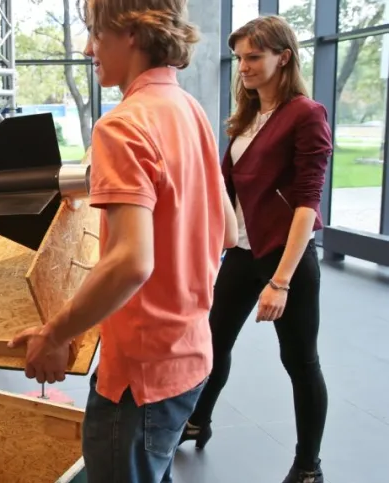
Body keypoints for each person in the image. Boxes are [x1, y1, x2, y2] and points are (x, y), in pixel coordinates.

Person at [8, 0, 237, 481]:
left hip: (139, 379)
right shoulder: (190, 109)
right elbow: (229, 230)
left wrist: (55, 334)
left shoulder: (121, 126)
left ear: (132, 31)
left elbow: (132, 262)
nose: (90, 48)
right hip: (190, 357)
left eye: (95, 32)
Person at [179, 15, 332, 483]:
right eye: (240, 57)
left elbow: (307, 203)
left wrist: (280, 281)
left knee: (300, 362)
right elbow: (225, 191)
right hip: (243, 254)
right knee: (213, 343)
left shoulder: (305, 113)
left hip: (286, 258)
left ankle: (309, 466)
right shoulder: (248, 115)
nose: (243, 66)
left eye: (253, 57)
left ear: (283, 57)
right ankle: (197, 420)